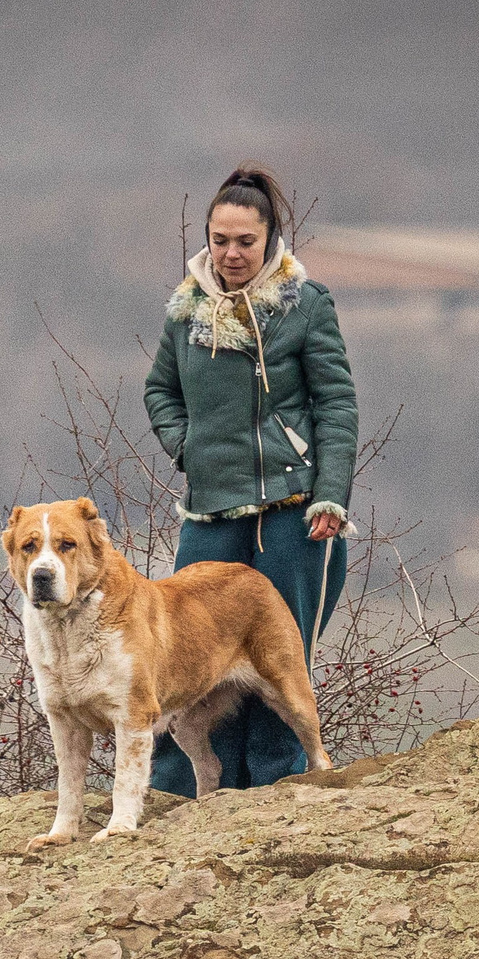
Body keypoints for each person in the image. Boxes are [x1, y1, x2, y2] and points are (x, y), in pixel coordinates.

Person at [143, 162, 356, 796]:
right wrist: (187, 448)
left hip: (295, 511)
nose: (232, 254)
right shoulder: (185, 312)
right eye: (220, 240)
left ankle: (273, 795)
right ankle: (173, 797)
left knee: (277, 668)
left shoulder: (306, 306)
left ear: (271, 240)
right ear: (206, 239)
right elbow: (160, 389)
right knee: (180, 658)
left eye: (246, 241)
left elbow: (336, 404)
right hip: (210, 513)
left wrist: (332, 495)